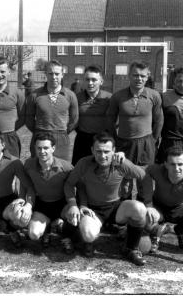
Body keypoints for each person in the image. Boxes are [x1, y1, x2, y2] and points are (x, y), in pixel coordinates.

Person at [64, 132, 148, 266]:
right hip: (93, 210)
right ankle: (79, 234)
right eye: (98, 151)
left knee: (139, 209)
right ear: (92, 150)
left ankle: (131, 248)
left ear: (114, 151)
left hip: (116, 208)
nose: (102, 156)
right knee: (88, 234)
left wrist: (148, 203)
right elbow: (69, 184)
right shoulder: (84, 163)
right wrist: (73, 204)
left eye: (106, 151)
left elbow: (144, 176)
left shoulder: (121, 163)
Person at [107, 61, 164, 199]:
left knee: (144, 179)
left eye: (142, 76)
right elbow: (110, 120)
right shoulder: (118, 96)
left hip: (146, 143)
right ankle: (124, 209)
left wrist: (153, 140)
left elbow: (159, 120)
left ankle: (145, 209)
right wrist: (115, 141)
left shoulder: (154, 95)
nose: (139, 78)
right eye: (135, 75)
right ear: (129, 76)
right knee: (124, 180)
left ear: (147, 77)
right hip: (124, 143)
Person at [24, 132, 75, 253]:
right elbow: (26, 184)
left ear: (53, 148)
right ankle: (48, 228)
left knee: (75, 218)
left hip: (62, 204)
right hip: (42, 205)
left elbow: (77, 186)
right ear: (35, 149)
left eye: (46, 148)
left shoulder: (66, 167)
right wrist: (25, 201)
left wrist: (75, 205)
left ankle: (67, 237)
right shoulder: (29, 164)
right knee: (34, 234)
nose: (42, 151)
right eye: (39, 148)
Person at [25, 59, 78, 162]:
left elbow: (74, 120)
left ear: (62, 75)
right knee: (38, 169)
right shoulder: (34, 95)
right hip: (40, 136)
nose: (54, 77)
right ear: (46, 74)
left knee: (61, 171)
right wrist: (39, 131)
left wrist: (62, 132)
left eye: (57, 74)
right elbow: (29, 119)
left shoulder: (70, 95)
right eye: (50, 74)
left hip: (61, 138)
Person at [139, 147, 183, 253]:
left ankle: (181, 230)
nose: (177, 168)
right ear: (166, 164)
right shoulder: (158, 170)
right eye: (172, 164)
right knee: (144, 220)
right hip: (158, 207)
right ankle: (158, 230)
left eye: (180, 164)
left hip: (178, 209)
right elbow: (141, 171)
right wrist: (148, 205)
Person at [72, 65, 112, 165]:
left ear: (101, 81)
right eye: (87, 79)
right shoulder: (76, 98)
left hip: (102, 140)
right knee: (80, 169)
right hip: (82, 140)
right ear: (83, 81)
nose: (90, 83)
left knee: (100, 170)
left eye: (94, 80)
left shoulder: (109, 98)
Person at [156, 67, 183, 163]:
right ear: (174, 82)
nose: (182, 84)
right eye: (179, 81)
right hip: (169, 145)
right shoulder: (163, 97)